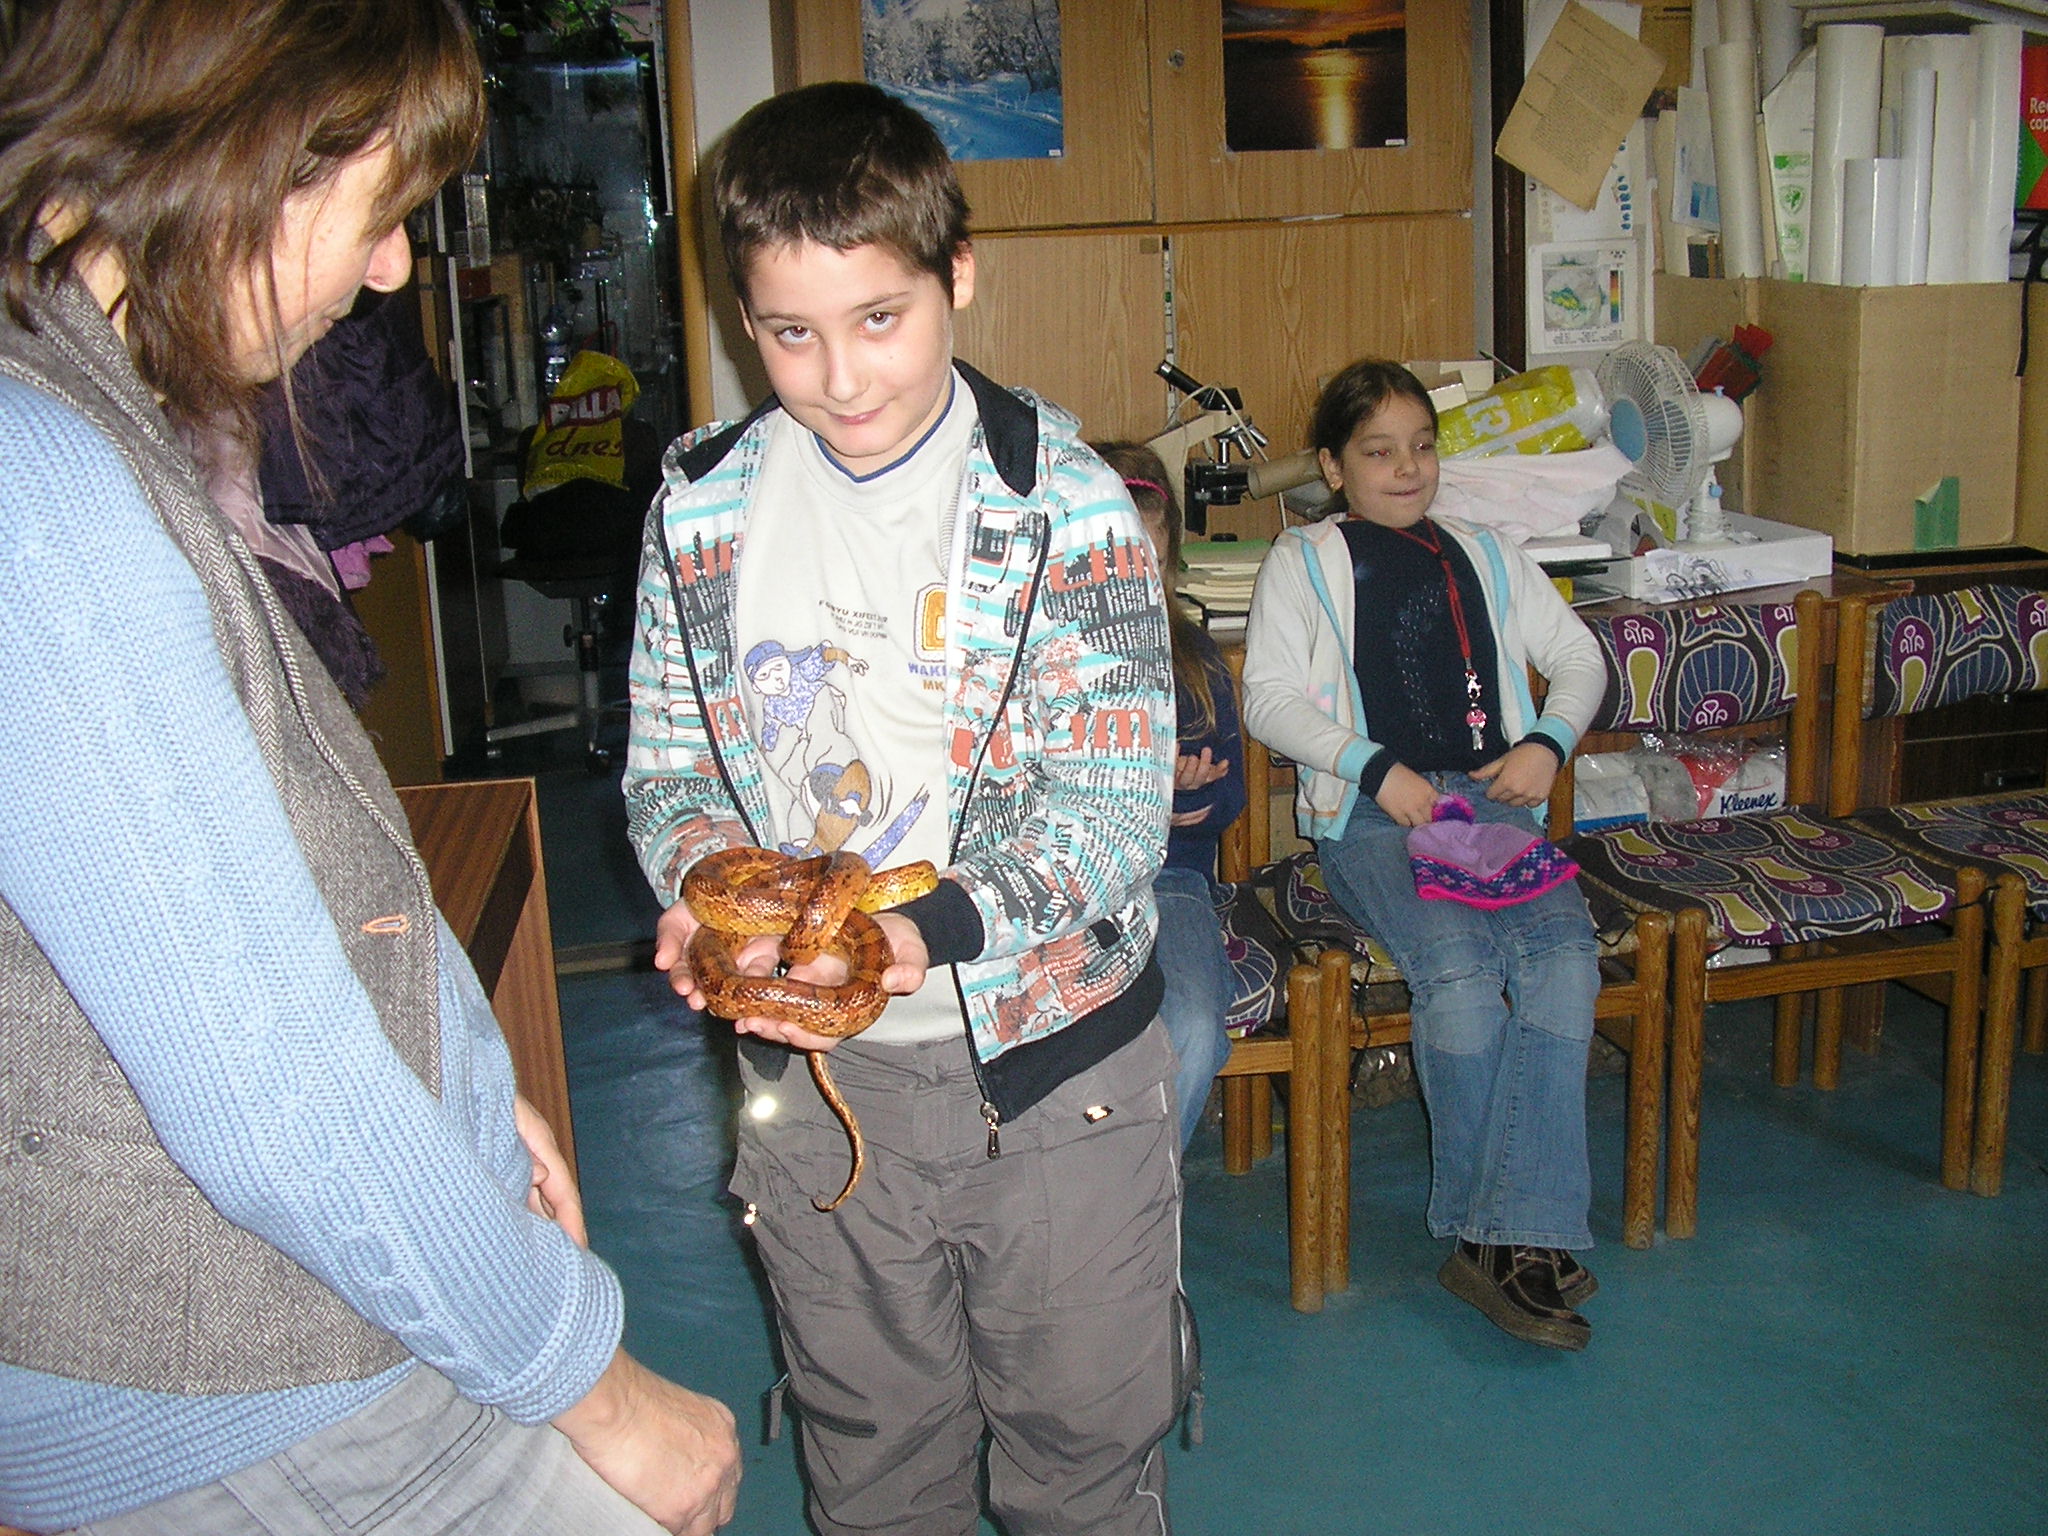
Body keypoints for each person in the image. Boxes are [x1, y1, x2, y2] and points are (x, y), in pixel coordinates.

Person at [0, 3, 740, 1532]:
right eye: (385, 206)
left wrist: (461, 1089)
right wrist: (594, 1387)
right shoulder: (40, 489)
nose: (397, 266)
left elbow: (251, 890)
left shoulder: (96, 408)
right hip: (238, 1371)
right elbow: (274, 1095)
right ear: (249, 142)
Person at [625, 81, 1185, 1536]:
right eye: (788, 333)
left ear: (958, 276)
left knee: (1082, 1460)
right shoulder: (697, 509)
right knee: (871, 1462)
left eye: (880, 318)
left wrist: (914, 934)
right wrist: (709, 894)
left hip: (1053, 1078)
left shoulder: (1064, 505)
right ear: (743, 319)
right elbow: (671, 769)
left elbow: (1110, 809)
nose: (840, 376)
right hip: (816, 1094)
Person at [1240, 359, 1609, 1351]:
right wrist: (1375, 769)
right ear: (1331, 466)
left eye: (1421, 446)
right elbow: (1266, 698)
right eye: (1377, 452)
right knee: (1459, 971)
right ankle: (1515, 1240)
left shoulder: (1485, 554)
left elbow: (1579, 657)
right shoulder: (1304, 560)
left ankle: (1498, 1236)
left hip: (1483, 807)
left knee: (1563, 960)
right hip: (1376, 816)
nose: (1406, 468)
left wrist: (1547, 743)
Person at [1093, 440, 1247, 1149]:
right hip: (1075, 887)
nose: (1134, 585)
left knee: (1192, 1024)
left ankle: (1149, 1198)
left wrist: (1186, 802)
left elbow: (1229, 799)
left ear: (1172, 566)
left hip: (1172, 879)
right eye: (1115, 564)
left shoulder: (1196, 663)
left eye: (1150, 566)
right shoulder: (1045, 659)